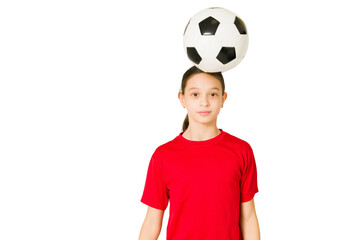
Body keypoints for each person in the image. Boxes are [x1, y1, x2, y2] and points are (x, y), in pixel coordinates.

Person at [139, 66, 260, 240]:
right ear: (182, 99)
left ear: (223, 99)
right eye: (195, 94)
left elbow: (248, 217)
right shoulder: (163, 156)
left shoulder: (241, 151)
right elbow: (152, 221)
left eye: (212, 94)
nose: (204, 102)